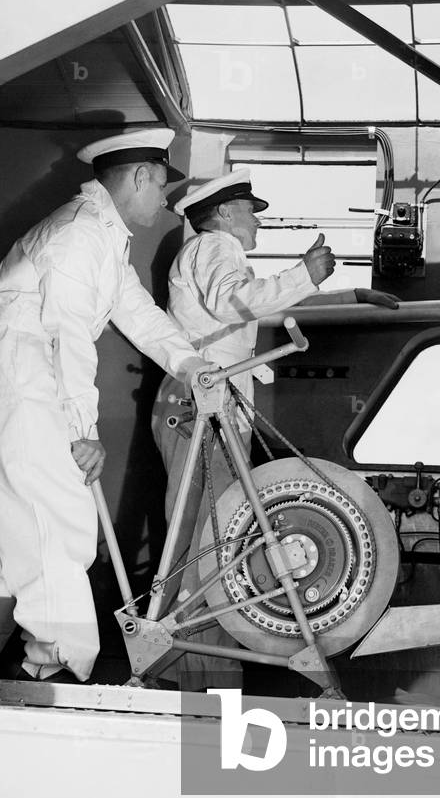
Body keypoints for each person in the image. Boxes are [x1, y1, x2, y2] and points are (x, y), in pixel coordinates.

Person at [0, 128, 207, 684]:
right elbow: (68, 335)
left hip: (23, 365)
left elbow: (141, 316)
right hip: (25, 365)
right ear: (138, 177)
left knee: (18, 524)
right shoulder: (80, 234)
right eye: (161, 186)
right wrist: (83, 429)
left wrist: (193, 366)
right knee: (61, 518)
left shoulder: (105, 237)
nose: (164, 200)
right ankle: (56, 666)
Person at [151, 167, 398, 689]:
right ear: (222, 213)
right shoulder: (216, 248)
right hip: (201, 408)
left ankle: (198, 673)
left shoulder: (216, 255)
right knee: (202, 545)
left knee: (211, 544)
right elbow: (236, 302)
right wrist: (306, 272)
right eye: (249, 210)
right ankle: (181, 676)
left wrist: (351, 296)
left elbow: (259, 306)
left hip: (210, 407)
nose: (257, 220)